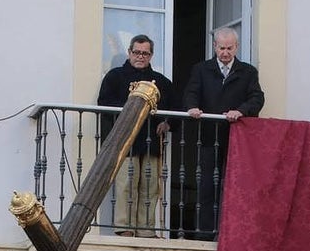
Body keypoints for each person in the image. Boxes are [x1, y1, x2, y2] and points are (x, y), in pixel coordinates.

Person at [182, 27, 264, 240]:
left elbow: (257, 98)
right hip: (208, 137)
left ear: (236, 47)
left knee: (234, 186)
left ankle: (230, 234)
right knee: (206, 186)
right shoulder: (202, 69)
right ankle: (206, 234)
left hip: (237, 140)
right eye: (221, 48)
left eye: (229, 48)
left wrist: (241, 111)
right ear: (214, 47)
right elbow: (191, 92)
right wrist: (192, 107)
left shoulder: (248, 72)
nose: (225, 53)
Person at [97, 34, 177, 238]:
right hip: (126, 142)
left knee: (150, 187)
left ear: (151, 55)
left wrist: (167, 123)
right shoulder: (114, 77)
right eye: (137, 52)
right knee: (126, 184)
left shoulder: (161, 82)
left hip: (151, 143)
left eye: (145, 53)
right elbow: (104, 104)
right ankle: (125, 227)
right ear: (129, 52)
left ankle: (146, 230)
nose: (140, 56)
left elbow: (176, 110)